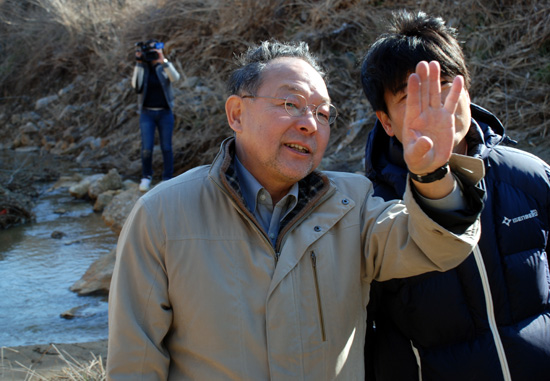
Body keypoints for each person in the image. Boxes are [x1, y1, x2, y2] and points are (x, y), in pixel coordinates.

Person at [107, 40, 485, 380]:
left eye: (323, 114)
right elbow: (135, 364)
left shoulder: (352, 204)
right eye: (291, 104)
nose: (309, 124)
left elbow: (435, 245)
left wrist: (432, 174)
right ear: (236, 114)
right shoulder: (162, 214)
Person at [361, 10, 550, 381]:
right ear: (386, 121)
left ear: (466, 87)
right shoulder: (372, 209)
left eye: (445, 83)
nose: (435, 104)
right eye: (411, 96)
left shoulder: (528, 176)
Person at [132, 39, 180, 192]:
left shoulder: (163, 67)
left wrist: (163, 59)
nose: (152, 54)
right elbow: (136, 86)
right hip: (147, 113)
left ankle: (167, 177)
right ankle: (146, 177)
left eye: (155, 50)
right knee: (147, 148)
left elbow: (175, 78)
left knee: (166, 147)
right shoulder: (143, 68)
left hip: (165, 113)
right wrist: (139, 62)